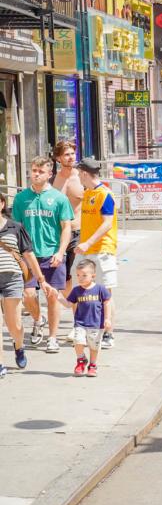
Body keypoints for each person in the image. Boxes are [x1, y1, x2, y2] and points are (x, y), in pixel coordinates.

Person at [13, 156, 73, 353]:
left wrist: (61, 251)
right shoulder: (21, 199)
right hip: (28, 256)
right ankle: (38, 320)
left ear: (49, 174)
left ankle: (53, 337)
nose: (36, 174)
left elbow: (66, 228)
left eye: (40, 171)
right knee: (28, 295)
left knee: (53, 296)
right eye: (33, 170)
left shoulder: (59, 198)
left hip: (52, 255)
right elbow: (15, 228)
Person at [74, 158, 119, 349]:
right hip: (86, 251)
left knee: (105, 293)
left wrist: (88, 242)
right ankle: (86, 328)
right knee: (82, 291)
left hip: (102, 251)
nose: (78, 178)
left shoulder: (105, 194)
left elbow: (107, 222)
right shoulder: (87, 193)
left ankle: (108, 333)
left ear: (84, 173)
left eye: (79, 174)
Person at [0, 188, 37, 375]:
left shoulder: (14, 227)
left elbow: (28, 253)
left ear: (2, 204)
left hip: (12, 278)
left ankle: (19, 346)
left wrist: (41, 279)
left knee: (13, 323)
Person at [64, 259, 111, 378]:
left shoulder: (100, 289)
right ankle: (81, 360)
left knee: (94, 346)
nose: (81, 278)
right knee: (78, 341)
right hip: (80, 323)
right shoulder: (76, 290)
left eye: (84, 275)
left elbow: (107, 303)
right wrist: (57, 296)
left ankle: (93, 365)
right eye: (78, 275)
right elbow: (68, 304)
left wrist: (107, 319)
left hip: (96, 323)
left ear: (93, 276)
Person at [50, 140, 83, 298]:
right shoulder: (53, 180)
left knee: (83, 272)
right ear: (58, 158)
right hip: (60, 232)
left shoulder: (82, 176)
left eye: (72, 153)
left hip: (80, 231)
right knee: (65, 274)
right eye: (66, 154)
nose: (70, 157)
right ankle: (75, 308)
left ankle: (83, 308)